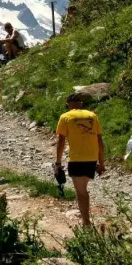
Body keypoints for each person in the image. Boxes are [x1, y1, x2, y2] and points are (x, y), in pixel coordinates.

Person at [54, 92, 106, 226]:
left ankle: (86, 222)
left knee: (81, 192)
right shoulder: (92, 116)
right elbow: (100, 141)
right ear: (81, 104)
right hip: (92, 158)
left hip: (76, 159)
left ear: (67, 105)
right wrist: (102, 163)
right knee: (84, 189)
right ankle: (86, 220)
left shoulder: (65, 117)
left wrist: (58, 163)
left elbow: (61, 142)